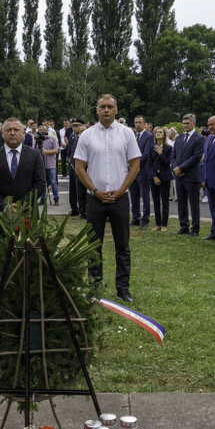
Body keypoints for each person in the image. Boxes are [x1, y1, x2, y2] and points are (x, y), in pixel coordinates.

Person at [75, 94, 141, 303]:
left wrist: (121, 191)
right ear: (96, 110)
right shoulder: (87, 135)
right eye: (102, 106)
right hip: (94, 198)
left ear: (116, 110)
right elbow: (79, 167)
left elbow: (135, 165)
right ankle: (95, 289)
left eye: (110, 107)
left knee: (122, 246)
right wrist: (94, 191)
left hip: (119, 198)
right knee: (94, 247)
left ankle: (123, 289)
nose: (106, 110)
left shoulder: (127, 133)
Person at [0, 117, 46, 216]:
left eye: (16, 130)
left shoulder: (35, 155)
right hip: (1, 215)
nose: (12, 133)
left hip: (28, 214)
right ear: (2, 133)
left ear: (23, 133)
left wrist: (21, 205)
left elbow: (40, 183)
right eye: (8, 130)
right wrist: (4, 207)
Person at [171, 114, 205, 236]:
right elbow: (173, 155)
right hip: (179, 176)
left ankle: (195, 229)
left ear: (194, 124)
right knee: (181, 203)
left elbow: (196, 157)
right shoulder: (179, 138)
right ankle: (184, 226)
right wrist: (175, 168)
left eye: (187, 123)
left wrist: (181, 168)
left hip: (191, 176)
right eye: (184, 123)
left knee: (194, 204)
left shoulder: (199, 138)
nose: (185, 125)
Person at [130, 116, 153, 228]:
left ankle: (145, 219)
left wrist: (134, 165)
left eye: (139, 122)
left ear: (145, 124)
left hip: (143, 170)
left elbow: (146, 154)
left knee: (145, 196)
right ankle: (135, 218)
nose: (137, 124)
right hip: (132, 172)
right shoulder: (133, 136)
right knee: (134, 196)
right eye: (135, 122)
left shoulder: (149, 136)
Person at [148, 126, 173, 231]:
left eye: (160, 132)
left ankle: (164, 224)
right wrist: (154, 176)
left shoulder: (168, 148)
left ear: (164, 135)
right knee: (156, 201)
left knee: (165, 201)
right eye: (156, 132)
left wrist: (161, 153)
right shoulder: (151, 147)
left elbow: (167, 164)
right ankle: (157, 223)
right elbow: (149, 164)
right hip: (154, 177)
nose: (158, 133)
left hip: (165, 177)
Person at [38, 125, 60, 206]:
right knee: (42, 183)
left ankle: (56, 199)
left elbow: (56, 150)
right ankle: (42, 199)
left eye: (42, 131)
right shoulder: (37, 140)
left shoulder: (52, 139)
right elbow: (33, 150)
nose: (40, 133)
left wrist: (45, 152)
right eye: (39, 131)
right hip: (41, 166)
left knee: (53, 182)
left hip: (51, 165)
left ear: (45, 131)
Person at [66, 119, 84, 218]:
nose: (75, 128)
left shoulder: (84, 138)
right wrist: (70, 161)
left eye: (77, 126)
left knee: (80, 189)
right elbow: (69, 152)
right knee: (72, 188)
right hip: (72, 166)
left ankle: (83, 210)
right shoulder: (72, 138)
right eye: (73, 126)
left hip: (81, 167)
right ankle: (74, 208)